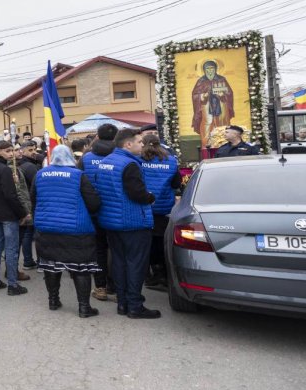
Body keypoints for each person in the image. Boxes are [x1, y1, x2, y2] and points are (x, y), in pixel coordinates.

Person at [91, 128, 160, 319]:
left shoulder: (105, 162)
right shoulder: (129, 165)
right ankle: (135, 306)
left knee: (119, 263)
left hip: (112, 222)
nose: (142, 145)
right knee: (136, 265)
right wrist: (151, 197)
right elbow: (136, 193)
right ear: (127, 144)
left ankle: (123, 303)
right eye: (139, 142)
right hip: (132, 222)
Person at [31, 146, 102, 317]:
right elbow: (93, 203)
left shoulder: (40, 174)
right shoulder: (78, 175)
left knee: (51, 265)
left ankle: (53, 300)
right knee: (81, 268)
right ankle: (84, 307)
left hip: (46, 228)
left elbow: (33, 199)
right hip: (76, 229)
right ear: (71, 156)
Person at [0, 141, 30, 296]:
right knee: (11, 249)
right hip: (7, 214)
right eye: (8, 151)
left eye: (12, 151)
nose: (11, 154)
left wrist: (13, 181)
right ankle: (12, 284)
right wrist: (23, 213)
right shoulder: (3, 169)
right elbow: (10, 195)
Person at [139, 134, 181, 289]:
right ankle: (164, 274)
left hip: (145, 207)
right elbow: (176, 182)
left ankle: (152, 274)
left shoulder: (139, 161)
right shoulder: (170, 161)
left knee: (147, 243)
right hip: (164, 208)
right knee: (162, 241)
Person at [83, 124, 119, 302]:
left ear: (97, 136)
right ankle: (116, 286)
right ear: (115, 138)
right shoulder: (120, 157)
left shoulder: (86, 158)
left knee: (99, 251)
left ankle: (101, 287)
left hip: (94, 211)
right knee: (117, 249)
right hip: (116, 210)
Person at [191, 59, 234, 146]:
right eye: (208, 69)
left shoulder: (221, 79)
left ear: (215, 69)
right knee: (207, 124)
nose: (210, 71)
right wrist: (203, 96)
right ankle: (206, 145)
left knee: (222, 124)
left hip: (221, 106)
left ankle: (224, 145)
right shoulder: (201, 81)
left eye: (212, 69)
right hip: (206, 107)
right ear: (204, 70)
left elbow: (229, 93)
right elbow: (195, 95)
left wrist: (223, 95)